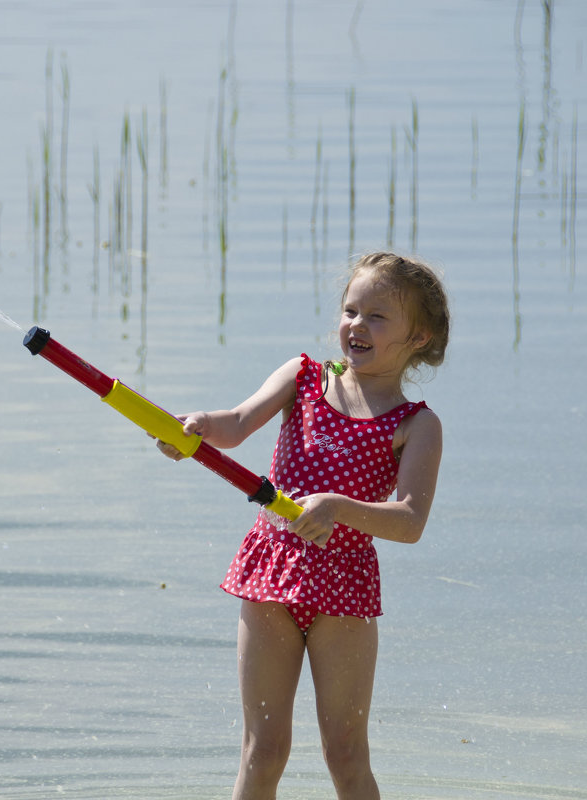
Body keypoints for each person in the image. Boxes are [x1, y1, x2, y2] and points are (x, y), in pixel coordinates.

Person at [156, 251, 449, 800]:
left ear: (419, 337)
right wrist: (195, 428)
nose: (357, 325)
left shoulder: (417, 425)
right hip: (271, 571)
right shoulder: (304, 377)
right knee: (263, 750)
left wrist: (337, 507)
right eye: (350, 310)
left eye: (378, 316)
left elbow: (409, 522)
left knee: (345, 754)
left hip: (345, 585)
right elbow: (236, 424)